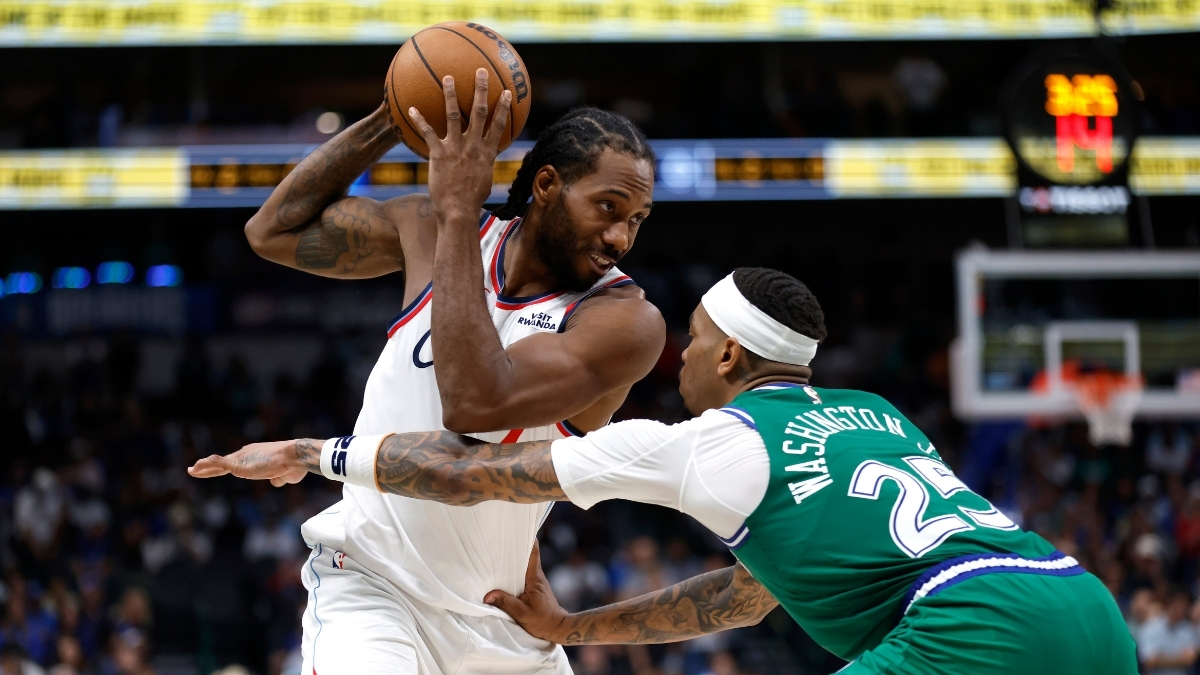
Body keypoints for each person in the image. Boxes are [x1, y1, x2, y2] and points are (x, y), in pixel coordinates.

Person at [193, 267, 1137, 673]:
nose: (673, 359)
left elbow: (473, 472)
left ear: (727, 359)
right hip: (1081, 604)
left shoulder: (704, 441)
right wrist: (569, 626)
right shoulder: (874, 414)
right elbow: (746, 598)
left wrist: (318, 455)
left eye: (690, 341)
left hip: (972, 628)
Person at [227, 67, 665, 675]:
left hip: (503, 619)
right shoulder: (429, 227)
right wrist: (393, 115)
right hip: (374, 591)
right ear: (546, 185)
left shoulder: (623, 322)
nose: (620, 236)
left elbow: (474, 404)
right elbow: (273, 231)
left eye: (637, 219)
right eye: (608, 208)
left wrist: (458, 208)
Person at [1138, 589, 1196, 675]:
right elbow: (1149, 661)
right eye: (1179, 603)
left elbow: (1189, 659)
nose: (1183, 608)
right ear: (1169, 603)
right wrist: (1180, 659)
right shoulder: (1151, 627)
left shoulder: (1189, 630)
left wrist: (1160, 659)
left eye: (1185, 604)